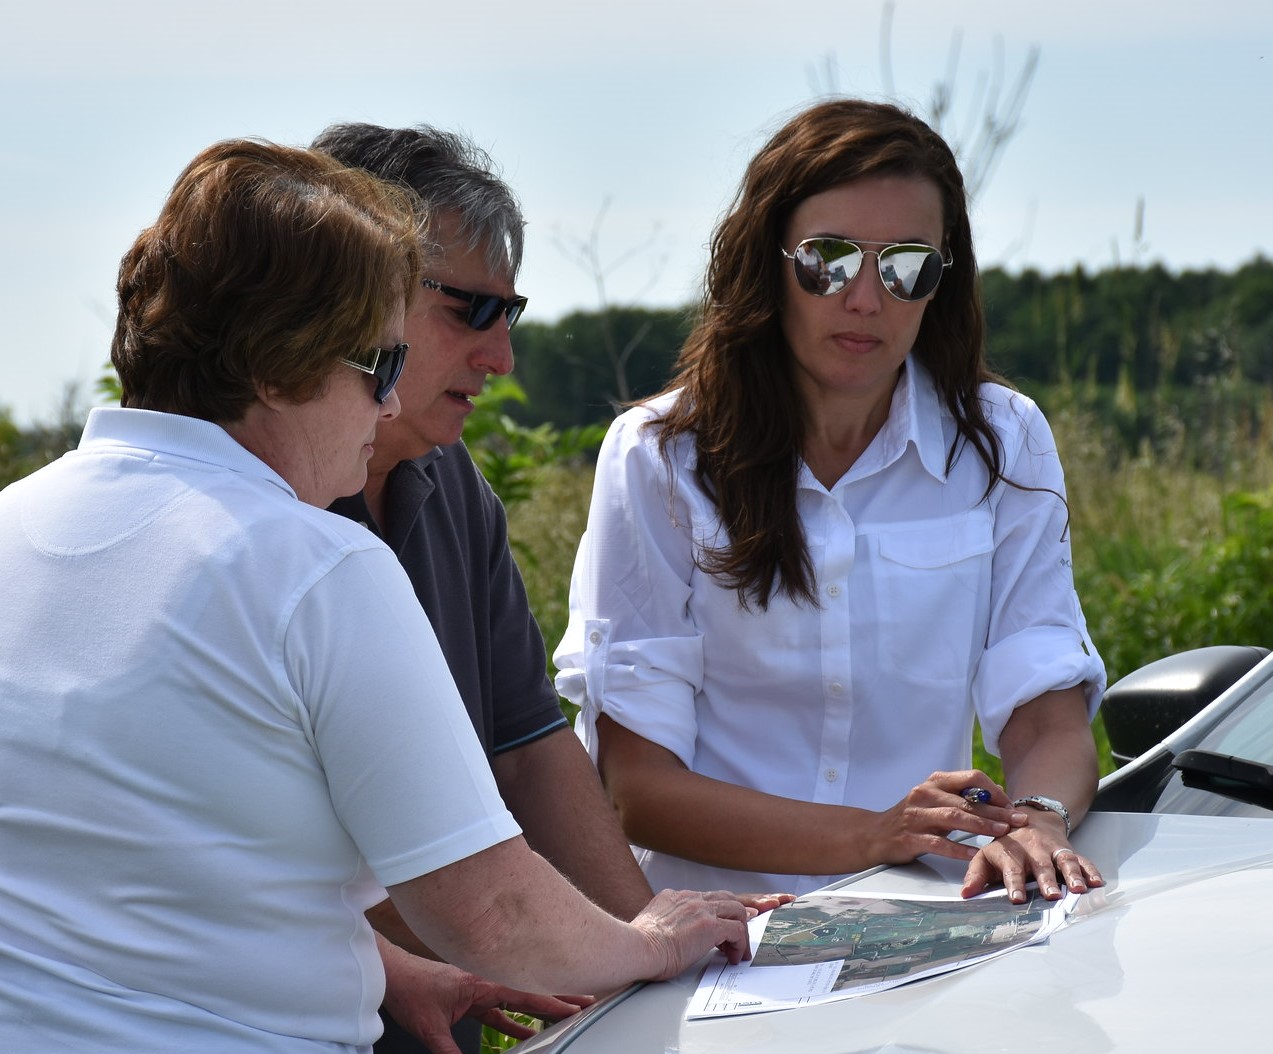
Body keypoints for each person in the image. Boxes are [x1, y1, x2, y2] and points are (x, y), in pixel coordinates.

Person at [0, 139, 751, 1053]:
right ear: (278, 365)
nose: (390, 410)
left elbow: (135, 861)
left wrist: (384, 972)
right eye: (379, 369)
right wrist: (651, 945)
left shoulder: (16, 525)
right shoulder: (316, 563)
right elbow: (491, 913)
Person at [554, 99, 1109, 902]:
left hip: (923, 919)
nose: (865, 300)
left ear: (940, 284)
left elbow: (1046, 713)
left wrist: (1039, 819)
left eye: (906, 266)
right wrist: (872, 835)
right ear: (767, 264)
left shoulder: (1003, 440)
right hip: (717, 936)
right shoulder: (660, 455)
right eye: (829, 260)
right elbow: (633, 788)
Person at [307, 123, 672, 1054]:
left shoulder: (449, 477)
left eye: (509, 314)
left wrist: (647, 954)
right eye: (469, 310)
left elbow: (527, 744)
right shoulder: (265, 511)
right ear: (355, 284)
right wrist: (605, 951)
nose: (501, 356)